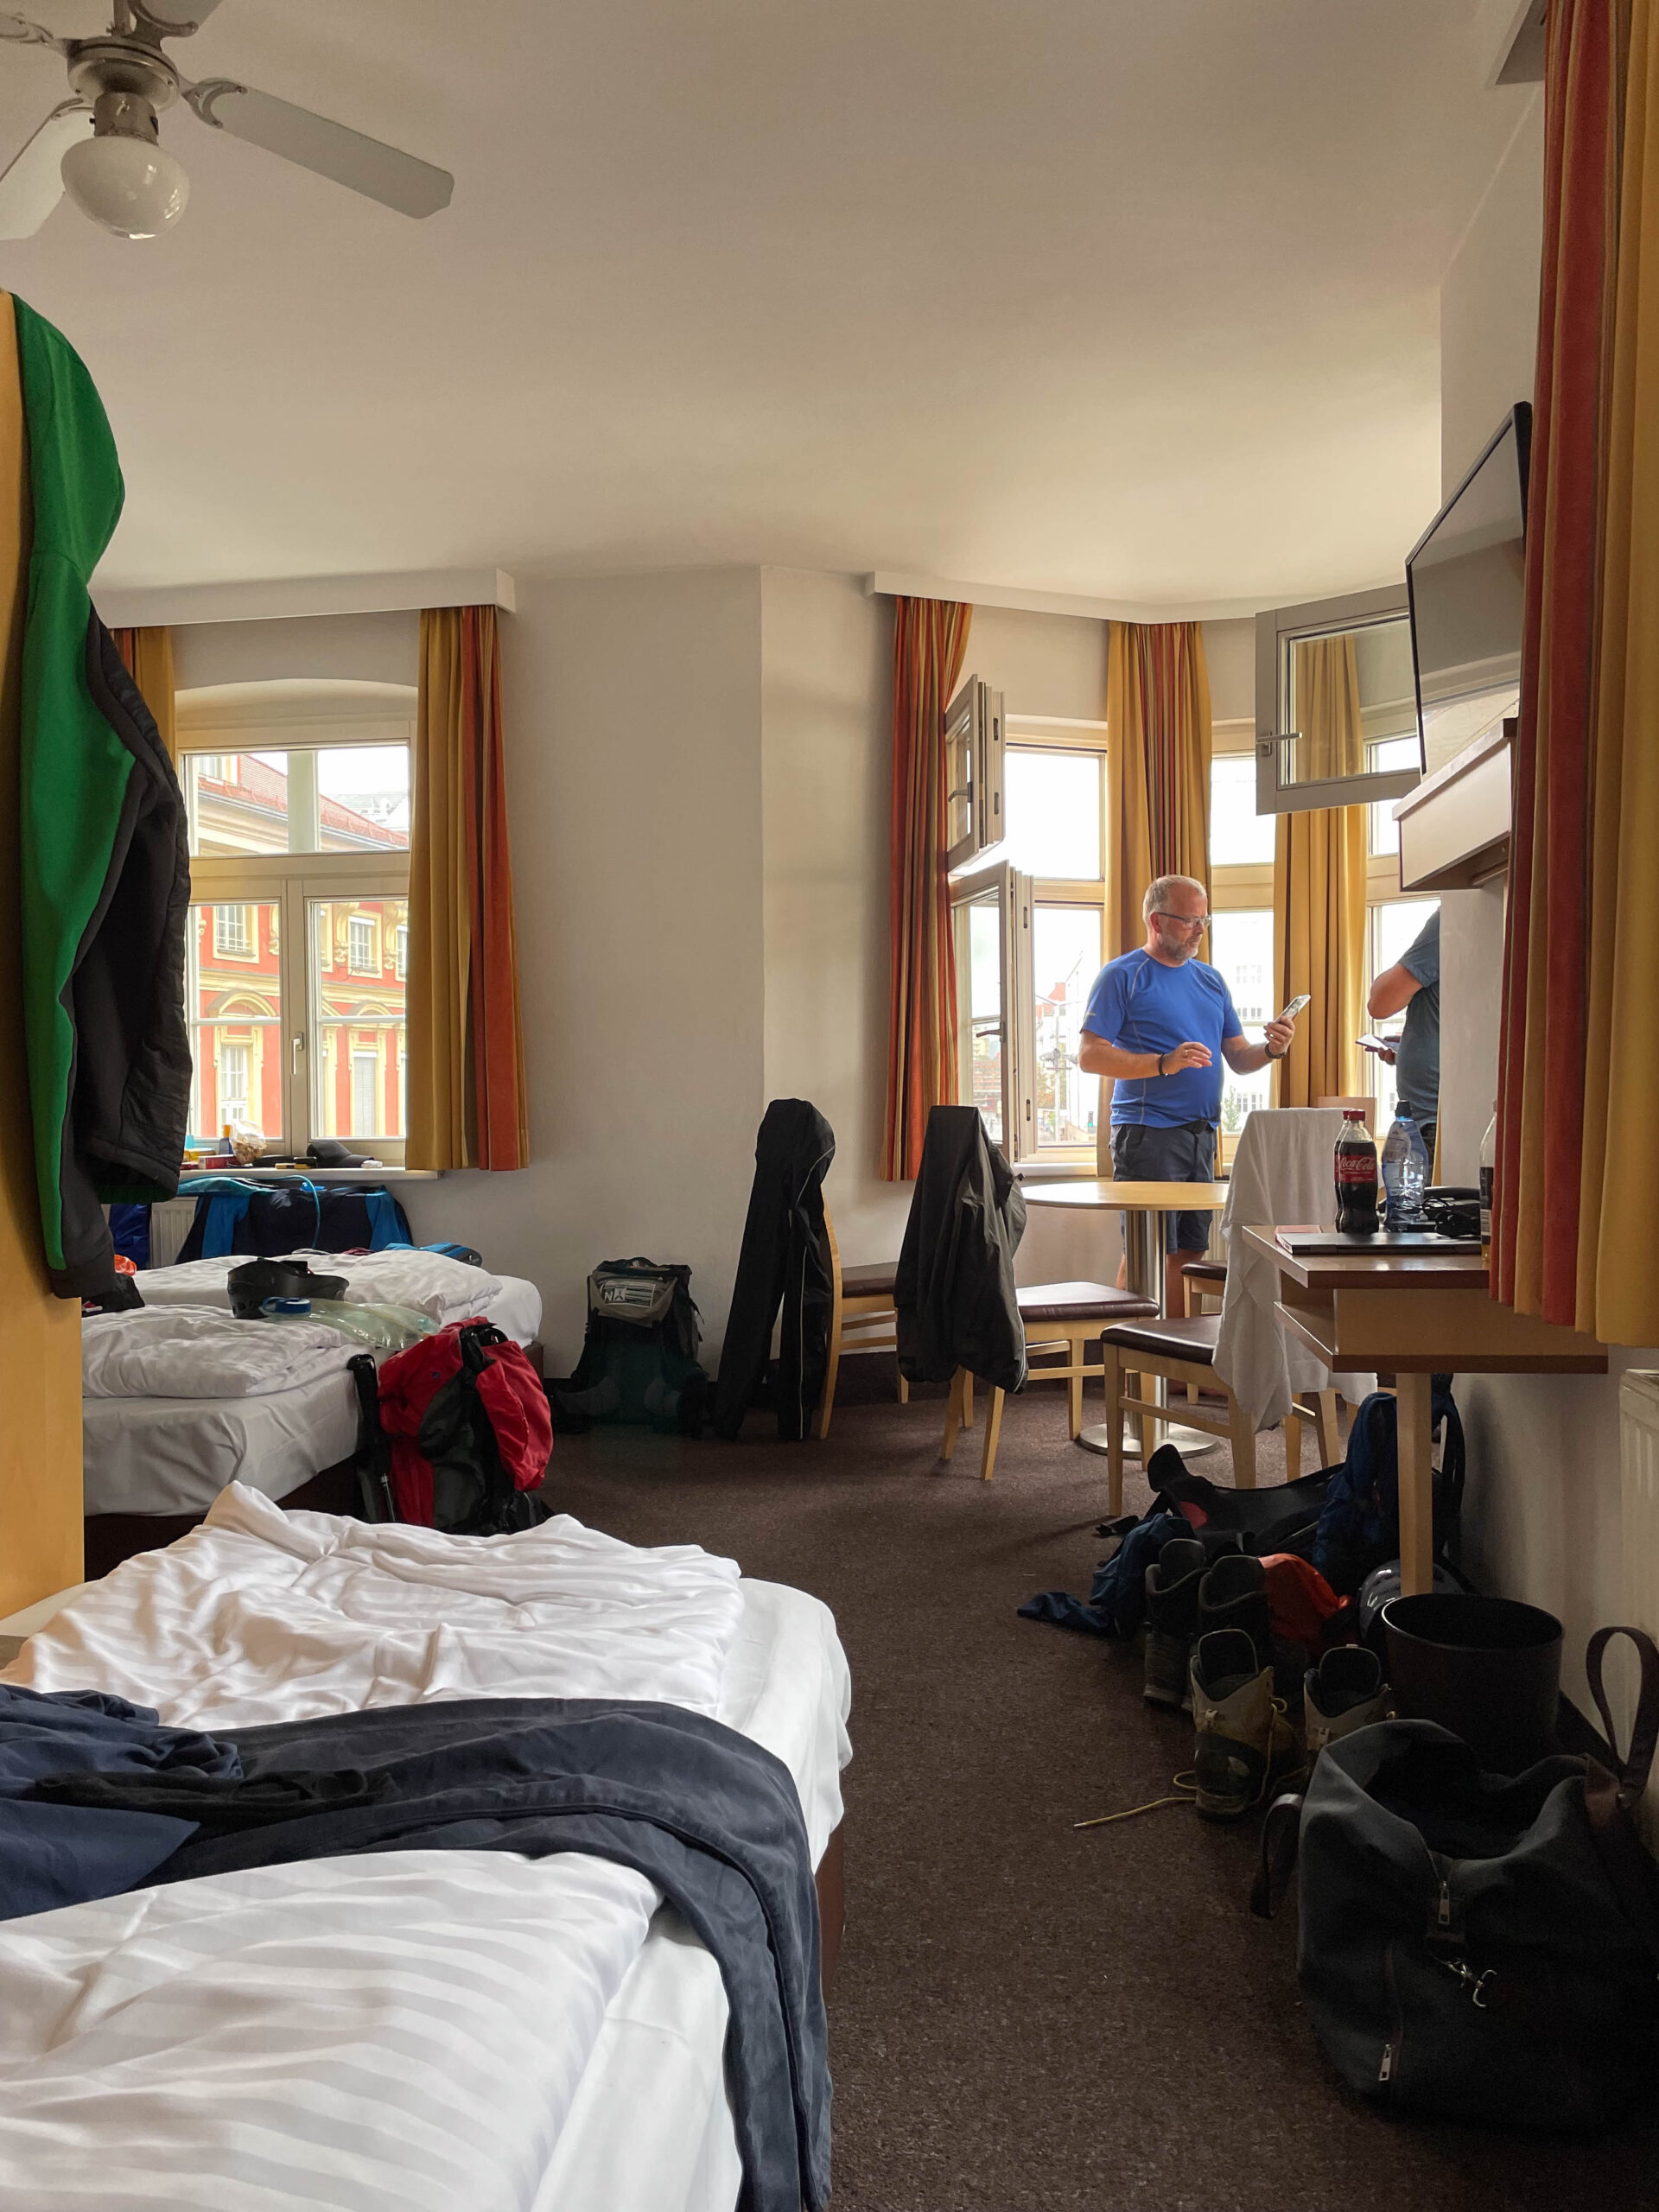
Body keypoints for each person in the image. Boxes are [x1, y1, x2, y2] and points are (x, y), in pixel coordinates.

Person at [1079, 874, 1297, 1315]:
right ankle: (1135, 1349)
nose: (1200, 930)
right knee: (1147, 1251)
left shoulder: (1211, 981)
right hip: (1148, 1133)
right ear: (1157, 921)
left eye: (1205, 920)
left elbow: (1239, 1057)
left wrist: (1272, 1049)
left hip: (1202, 1135)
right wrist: (1163, 1062)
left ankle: (1175, 1353)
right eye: (1190, 920)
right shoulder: (1123, 976)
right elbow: (1090, 1055)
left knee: (1190, 1251)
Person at [1367, 906, 1439, 1162]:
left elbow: (1380, 1003)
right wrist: (1408, 1049)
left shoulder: (1446, 921)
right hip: (1428, 1119)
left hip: (1432, 1121)